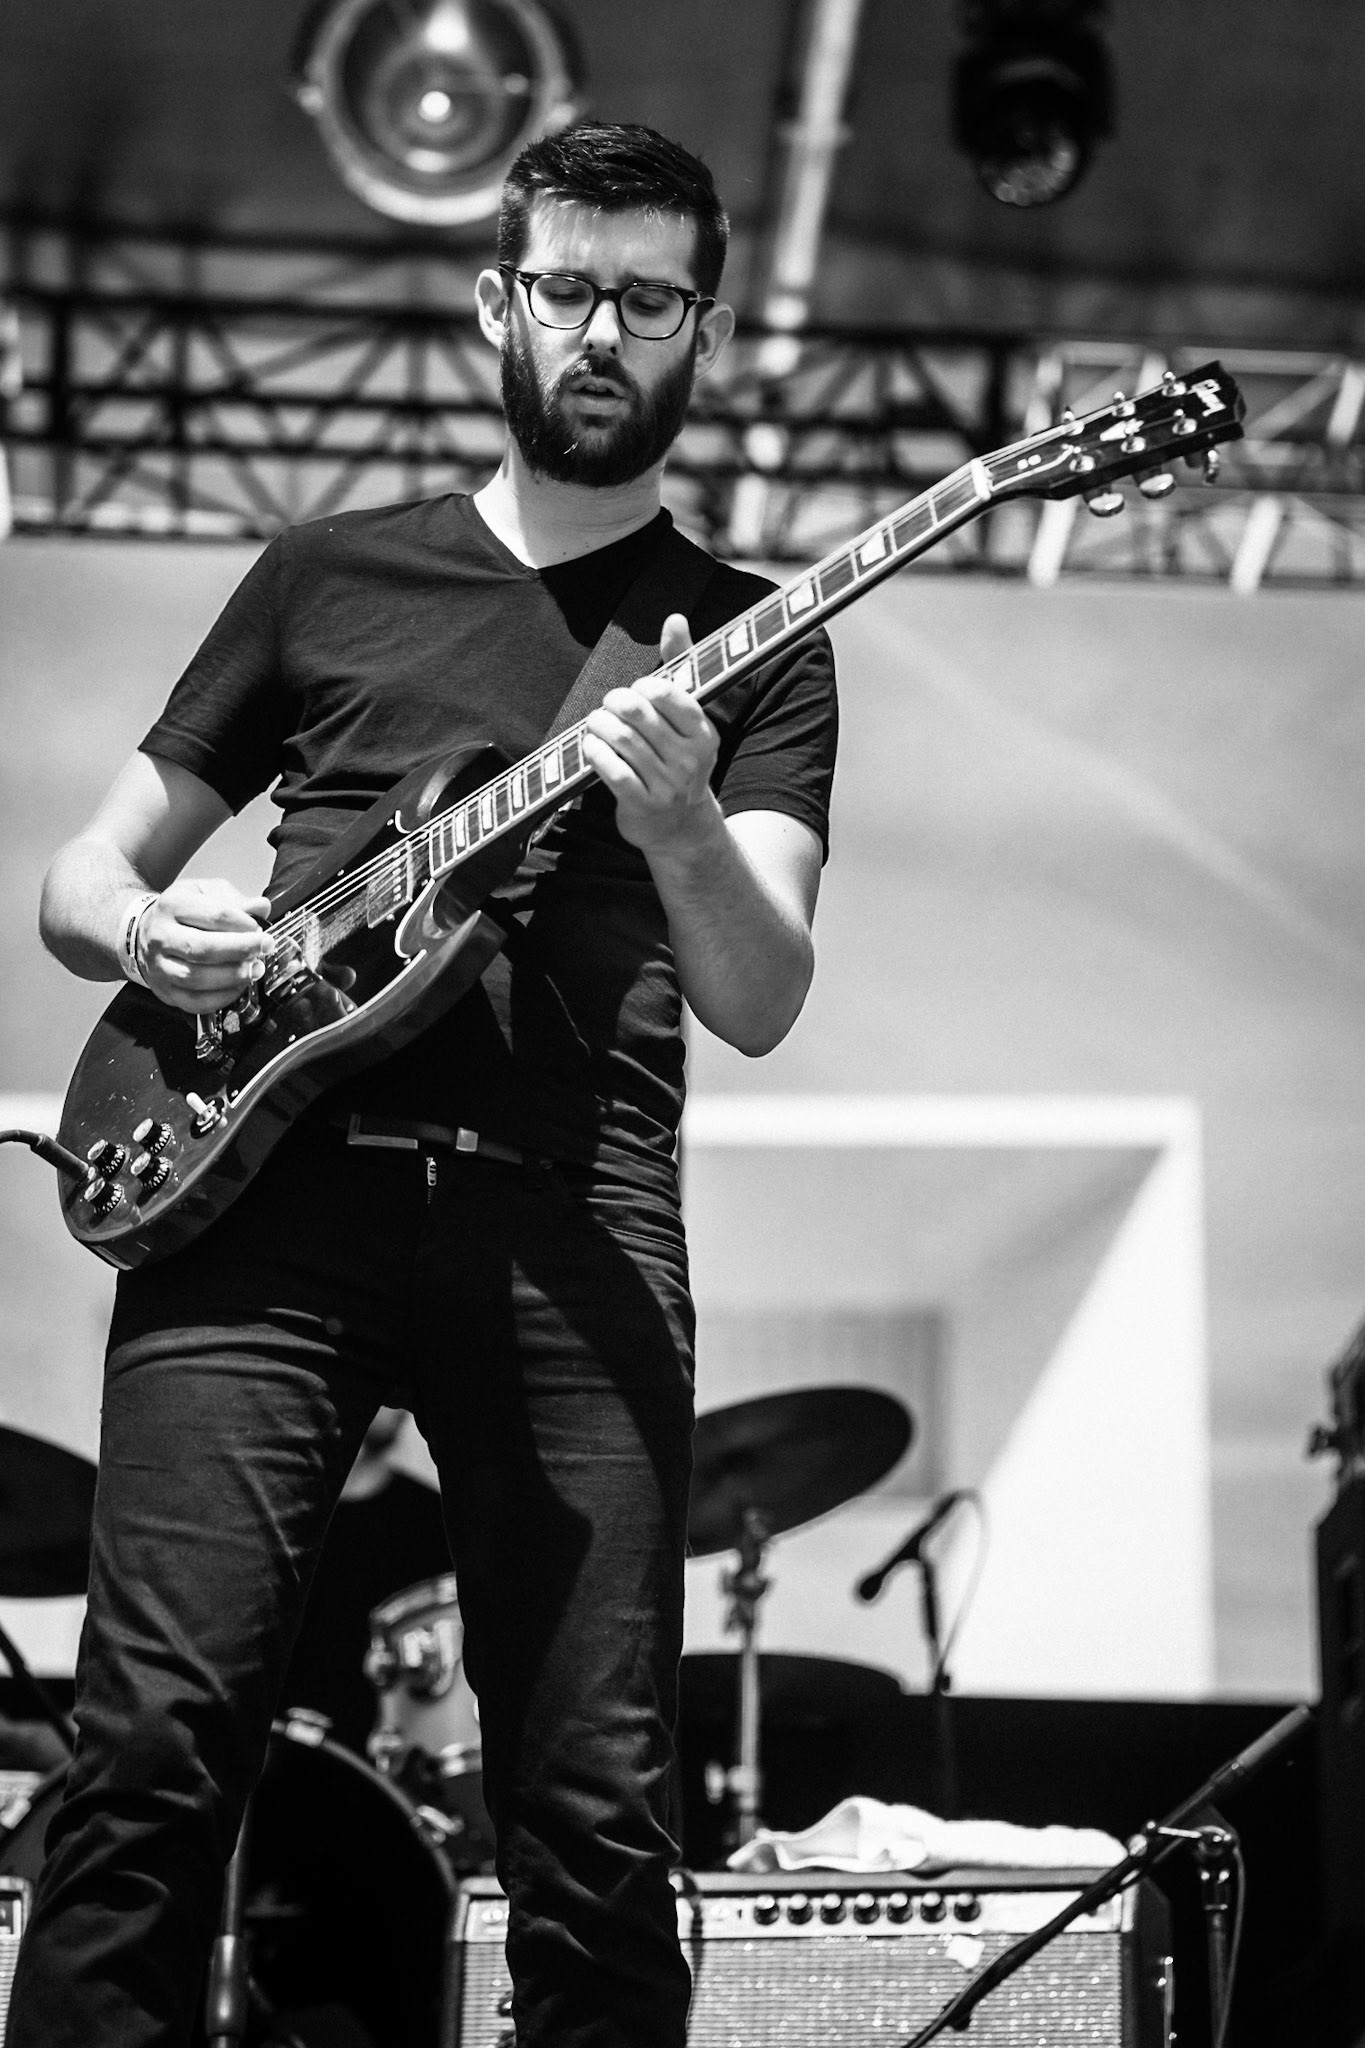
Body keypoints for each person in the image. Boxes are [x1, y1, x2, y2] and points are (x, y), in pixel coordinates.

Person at [16, 122, 837, 2048]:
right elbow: (76, 878)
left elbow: (762, 992)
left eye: (650, 298)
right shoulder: (321, 576)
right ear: (499, 303)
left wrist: (685, 826)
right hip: (263, 1194)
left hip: (574, 1212)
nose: (604, 331)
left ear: (702, 330)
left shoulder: (756, 638)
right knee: (150, 1749)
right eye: (570, 288)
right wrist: (155, 937)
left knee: (593, 1809)